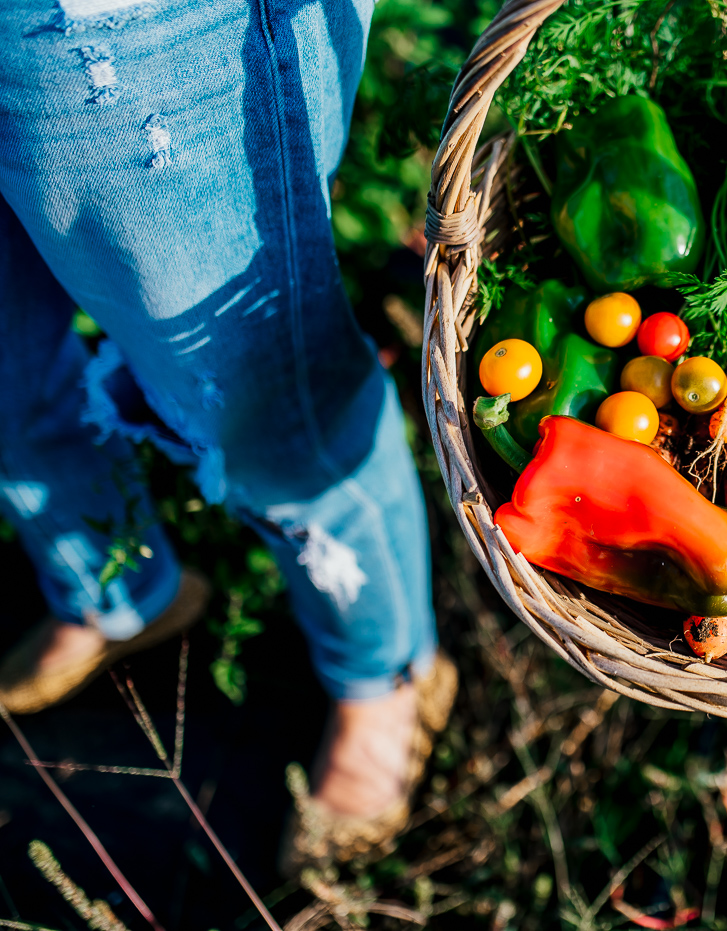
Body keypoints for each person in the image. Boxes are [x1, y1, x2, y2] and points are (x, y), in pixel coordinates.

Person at [0, 0, 454, 869]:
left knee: (267, 403)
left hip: (122, 34)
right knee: (7, 373)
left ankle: (385, 676)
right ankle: (116, 589)